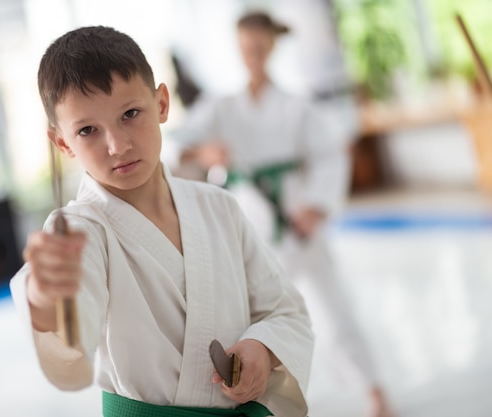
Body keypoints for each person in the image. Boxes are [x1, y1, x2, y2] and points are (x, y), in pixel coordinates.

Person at [9, 25, 314, 417]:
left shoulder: (218, 207)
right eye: (88, 130)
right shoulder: (78, 231)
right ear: (63, 143)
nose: (118, 146)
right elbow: (70, 339)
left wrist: (264, 349)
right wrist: (44, 293)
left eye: (130, 114)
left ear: (163, 104)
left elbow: (284, 310)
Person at [168, 11, 393, 417]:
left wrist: (316, 206)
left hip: (296, 217)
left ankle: (372, 389)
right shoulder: (222, 106)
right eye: (245, 48)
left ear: (271, 47)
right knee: (254, 321)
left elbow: (329, 158)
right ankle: (263, 401)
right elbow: (173, 144)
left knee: (334, 308)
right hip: (251, 222)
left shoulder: (295, 106)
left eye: (258, 46)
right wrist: (206, 152)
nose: (252, 55)